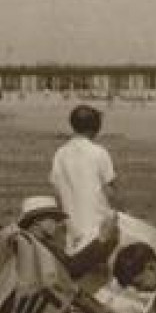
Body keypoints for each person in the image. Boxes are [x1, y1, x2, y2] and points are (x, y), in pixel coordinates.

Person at [49, 104, 122, 278]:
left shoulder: (60, 154)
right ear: (95, 128)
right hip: (100, 234)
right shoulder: (98, 153)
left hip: (74, 236)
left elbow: (58, 193)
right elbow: (111, 191)